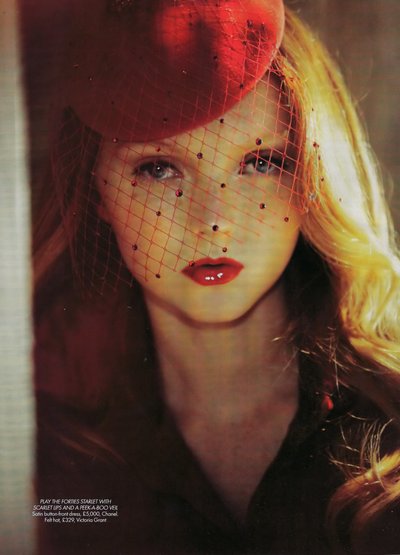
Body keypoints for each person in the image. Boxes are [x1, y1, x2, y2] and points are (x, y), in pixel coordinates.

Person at [32, 2, 400, 554]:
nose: (213, 220)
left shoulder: (392, 417)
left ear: (312, 178)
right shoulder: (44, 452)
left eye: (261, 162)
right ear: (95, 189)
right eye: (158, 168)